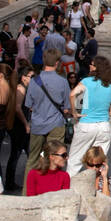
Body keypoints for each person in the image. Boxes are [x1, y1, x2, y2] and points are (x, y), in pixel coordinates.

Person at [21, 50, 72, 191]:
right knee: (56, 159)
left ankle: (27, 193)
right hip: (56, 123)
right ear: (57, 63)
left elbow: (28, 104)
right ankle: (54, 190)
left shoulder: (34, 81)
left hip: (37, 123)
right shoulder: (62, 81)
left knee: (32, 159)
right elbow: (67, 107)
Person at [68, 56, 111, 174]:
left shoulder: (86, 82)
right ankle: (98, 187)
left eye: (92, 64)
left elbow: (72, 94)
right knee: (99, 162)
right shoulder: (110, 88)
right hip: (104, 127)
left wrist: (74, 112)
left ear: (97, 68)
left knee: (75, 161)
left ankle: (70, 190)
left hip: (86, 125)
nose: (90, 66)